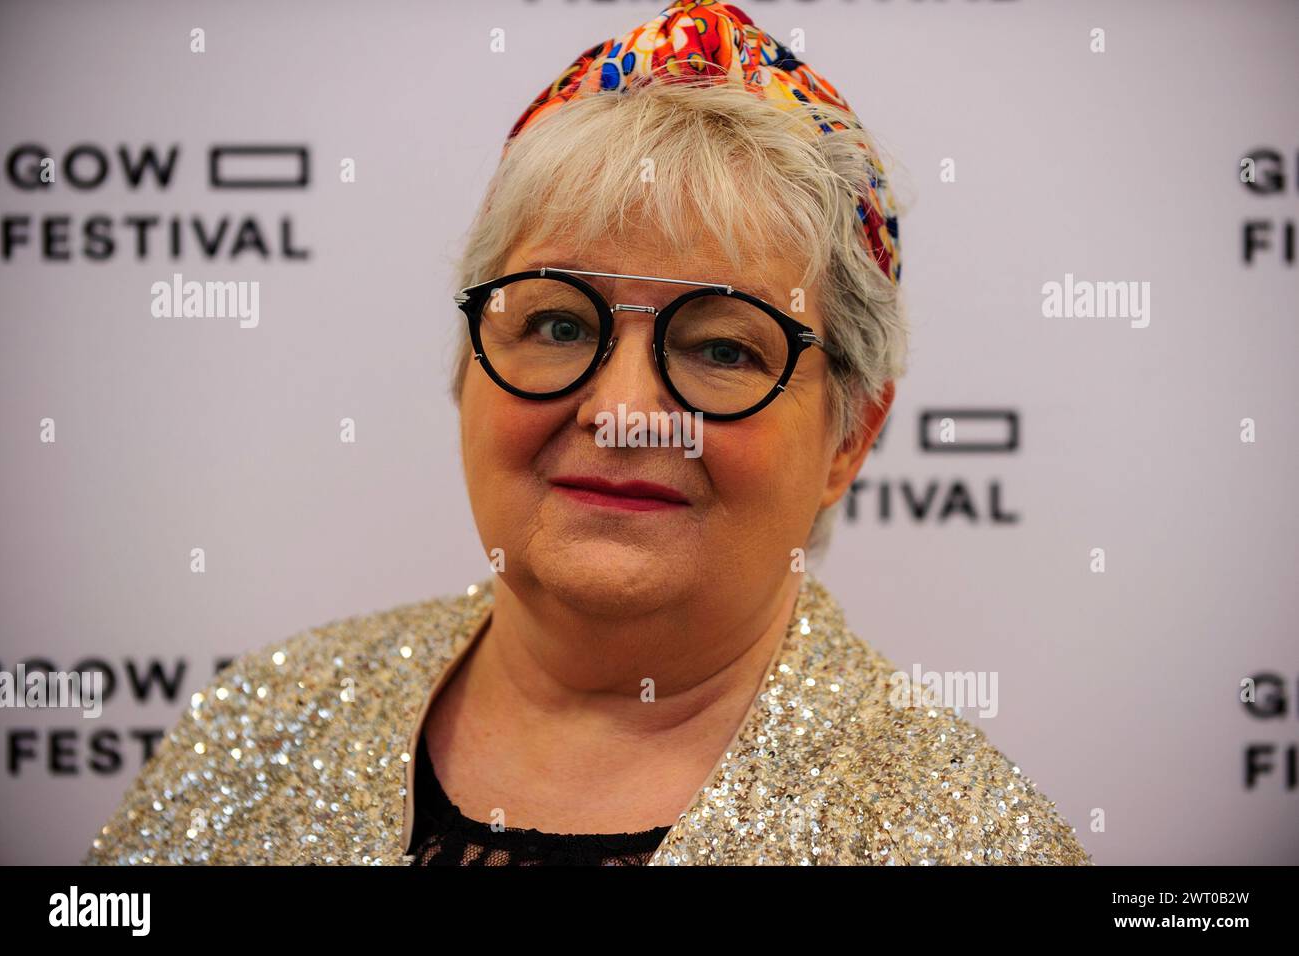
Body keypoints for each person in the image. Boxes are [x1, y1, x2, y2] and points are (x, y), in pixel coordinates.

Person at [82, 0, 1090, 866]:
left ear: (848, 436)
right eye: (558, 323)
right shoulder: (260, 722)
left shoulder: (966, 837)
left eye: (722, 348)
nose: (622, 409)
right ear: (468, 363)